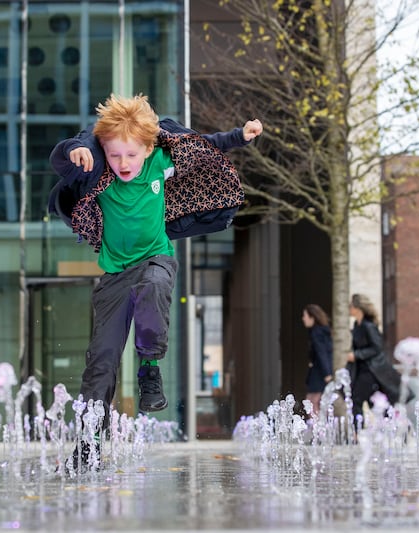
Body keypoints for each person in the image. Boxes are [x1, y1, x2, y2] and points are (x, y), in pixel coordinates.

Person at [49, 94, 261, 467]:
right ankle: (88, 444)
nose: (123, 164)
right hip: (114, 275)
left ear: (148, 149)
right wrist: (76, 152)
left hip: (156, 260)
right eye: (115, 156)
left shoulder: (162, 161)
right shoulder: (97, 171)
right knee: (101, 362)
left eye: (131, 155)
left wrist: (240, 136)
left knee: (153, 287)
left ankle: (150, 369)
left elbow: (204, 145)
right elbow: (67, 151)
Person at [346, 294, 386, 422]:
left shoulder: (368, 326)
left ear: (358, 308)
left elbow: (377, 347)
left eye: (351, 305)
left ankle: (357, 433)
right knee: (371, 400)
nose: (349, 308)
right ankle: (392, 427)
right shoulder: (357, 326)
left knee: (357, 399)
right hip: (361, 369)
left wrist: (356, 355)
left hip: (370, 370)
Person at [301, 304, 333, 417]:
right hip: (320, 371)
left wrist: (327, 373)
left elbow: (322, 353)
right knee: (317, 401)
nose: (303, 318)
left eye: (305, 316)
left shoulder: (316, 333)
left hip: (319, 373)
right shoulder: (320, 331)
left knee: (312, 401)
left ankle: (320, 430)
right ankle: (321, 429)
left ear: (312, 317)